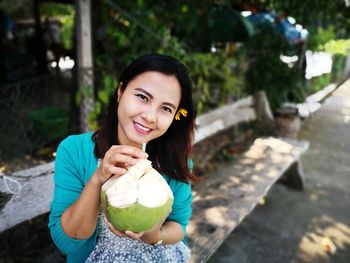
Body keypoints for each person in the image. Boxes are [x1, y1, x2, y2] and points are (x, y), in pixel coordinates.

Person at [48, 54, 197, 263]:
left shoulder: (175, 161)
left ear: (174, 116)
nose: (150, 116)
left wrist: (155, 236)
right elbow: (67, 242)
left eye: (166, 108)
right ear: (120, 92)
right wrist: (98, 178)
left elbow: (178, 226)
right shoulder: (74, 150)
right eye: (143, 97)